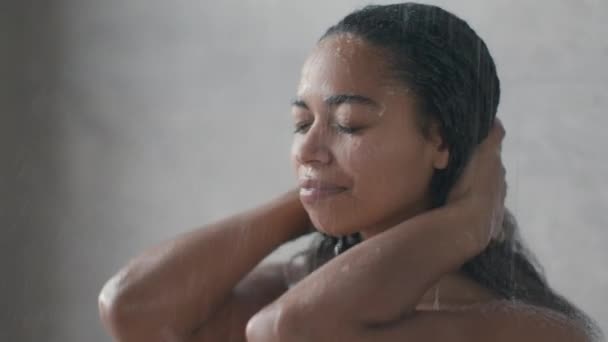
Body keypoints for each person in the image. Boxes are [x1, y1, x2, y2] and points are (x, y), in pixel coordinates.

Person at [98, 3, 602, 341]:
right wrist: (312, 195)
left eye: (349, 124)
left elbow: (289, 333)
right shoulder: (304, 282)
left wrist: (464, 224)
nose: (309, 148)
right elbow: (132, 307)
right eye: (302, 123)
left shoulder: (527, 331)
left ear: (442, 140)